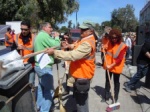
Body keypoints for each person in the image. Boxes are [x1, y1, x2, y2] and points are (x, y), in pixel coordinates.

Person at [45, 21, 97, 112]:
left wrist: (55, 52)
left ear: (91, 31)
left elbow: (73, 55)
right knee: (80, 99)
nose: (81, 31)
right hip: (80, 75)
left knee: (82, 103)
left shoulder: (88, 43)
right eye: (81, 29)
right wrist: (69, 45)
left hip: (83, 76)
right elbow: (77, 45)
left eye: (84, 29)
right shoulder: (85, 39)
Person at [34, 22, 61, 112]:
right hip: (44, 67)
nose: (52, 29)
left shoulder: (39, 35)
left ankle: (39, 106)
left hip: (39, 66)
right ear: (44, 28)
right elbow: (56, 46)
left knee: (42, 88)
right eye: (50, 27)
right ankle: (44, 110)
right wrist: (57, 37)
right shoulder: (44, 35)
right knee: (49, 91)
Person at [101, 29, 127, 103]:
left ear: (118, 37)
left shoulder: (122, 46)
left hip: (116, 66)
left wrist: (111, 65)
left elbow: (119, 59)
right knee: (107, 81)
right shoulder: (109, 43)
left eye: (115, 37)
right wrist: (103, 47)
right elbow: (105, 48)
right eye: (112, 38)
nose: (114, 39)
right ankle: (106, 96)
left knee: (116, 82)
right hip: (108, 65)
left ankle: (115, 98)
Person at [13, 20, 36, 86]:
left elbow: (37, 52)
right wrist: (17, 49)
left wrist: (31, 59)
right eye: (22, 29)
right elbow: (12, 50)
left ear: (29, 29)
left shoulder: (34, 37)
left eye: (25, 30)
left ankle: (32, 94)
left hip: (31, 65)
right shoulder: (16, 37)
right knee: (21, 86)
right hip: (20, 66)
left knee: (31, 83)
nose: (23, 31)